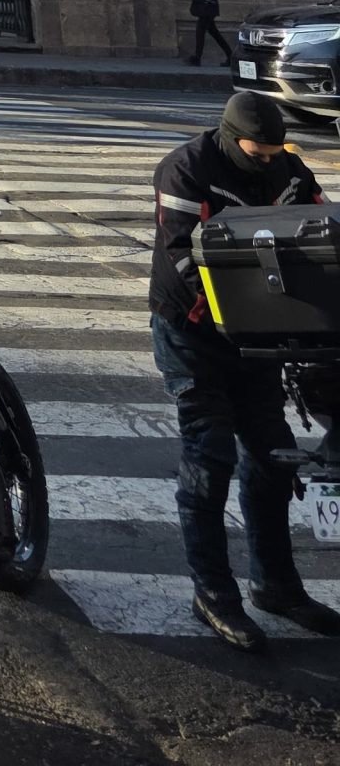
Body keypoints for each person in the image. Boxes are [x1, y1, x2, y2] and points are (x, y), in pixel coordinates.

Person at [151, 89, 340, 647]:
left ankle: (276, 585)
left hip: (259, 336)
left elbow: (322, 230)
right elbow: (179, 254)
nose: (268, 162)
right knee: (208, 456)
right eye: (258, 155)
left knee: (271, 457)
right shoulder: (186, 170)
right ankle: (213, 593)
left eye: (274, 153)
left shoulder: (289, 169)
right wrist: (235, 311)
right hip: (190, 330)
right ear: (233, 141)